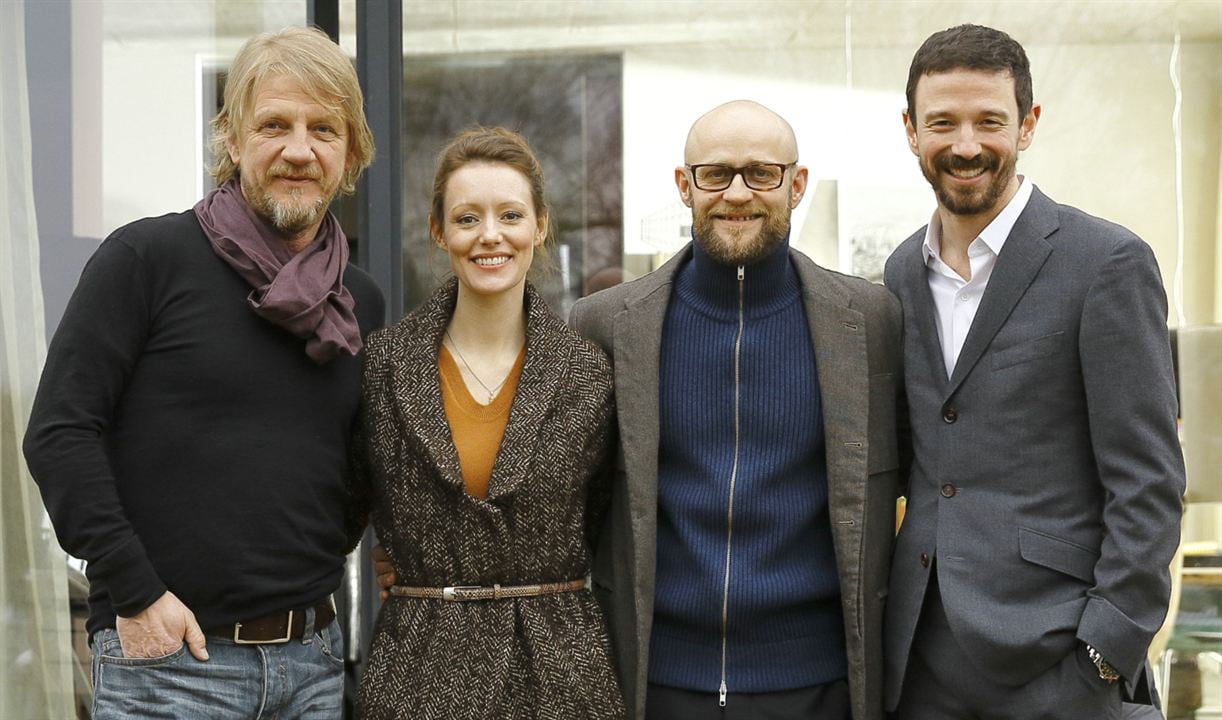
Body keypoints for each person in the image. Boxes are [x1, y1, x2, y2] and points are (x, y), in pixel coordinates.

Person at [23, 26, 383, 718]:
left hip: (311, 666)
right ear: (231, 137)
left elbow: (354, 477)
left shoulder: (358, 301)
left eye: (323, 129)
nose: (299, 149)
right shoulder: (147, 260)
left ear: (352, 150)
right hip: (169, 667)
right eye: (274, 124)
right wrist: (136, 592)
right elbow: (59, 433)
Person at [883, 24, 1185, 719]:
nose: (965, 145)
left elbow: (1148, 480)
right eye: (942, 123)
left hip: (1057, 661)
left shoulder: (1105, 263)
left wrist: (1106, 651)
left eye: (989, 120)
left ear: (1029, 125)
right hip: (921, 663)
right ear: (911, 131)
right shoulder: (901, 272)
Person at [569, 100, 903, 720]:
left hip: (821, 683)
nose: (737, 193)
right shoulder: (605, 325)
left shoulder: (872, 320)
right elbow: (561, 497)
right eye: (716, 174)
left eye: (762, 173)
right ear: (684, 185)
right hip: (656, 681)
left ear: (796, 184)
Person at [354, 126, 626, 719]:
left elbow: (604, 521)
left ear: (540, 225)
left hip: (560, 671)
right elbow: (349, 501)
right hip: (418, 672)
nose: (491, 236)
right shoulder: (383, 366)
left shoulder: (587, 373)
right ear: (439, 232)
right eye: (467, 218)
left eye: (509, 215)